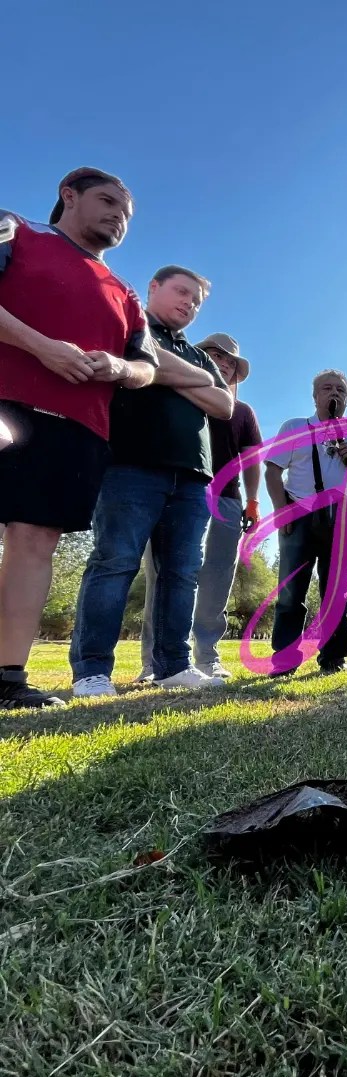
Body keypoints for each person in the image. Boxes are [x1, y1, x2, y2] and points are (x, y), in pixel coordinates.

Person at [0, 168, 158, 709]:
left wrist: (118, 366)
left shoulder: (127, 293)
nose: (119, 215)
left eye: (127, 212)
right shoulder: (14, 230)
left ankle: (7, 677)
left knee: (33, 540)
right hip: (6, 400)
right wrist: (42, 346)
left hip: (78, 428)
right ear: (69, 195)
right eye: (108, 201)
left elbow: (147, 368)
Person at [70, 266, 233, 697]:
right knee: (115, 562)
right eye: (182, 292)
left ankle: (173, 666)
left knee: (182, 573)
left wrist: (167, 372)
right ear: (154, 287)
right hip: (130, 466)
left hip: (194, 477)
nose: (189, 303)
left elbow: (224, 405)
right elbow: (144, 366)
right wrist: (177, 374)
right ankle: (92, 670)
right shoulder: (128, 327)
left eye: (196, 301)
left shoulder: (199, 355)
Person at [137, 333, 262, 680]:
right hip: (175, 492)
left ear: (235, 372)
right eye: (213, 354)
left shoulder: (242, 412)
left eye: (228, 360)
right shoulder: (175, 395)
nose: (221, 362)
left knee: (217, 577)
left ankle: (207, 655)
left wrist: (252, 501)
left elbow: (252, 460)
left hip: (226, 499)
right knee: (163, 575)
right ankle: (152, 661)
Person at [266, 369, 347, 676]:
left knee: (337, 592)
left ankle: (334, 657)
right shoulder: (295, 427)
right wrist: (281, 509)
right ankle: (284, 660)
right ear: (315, 396)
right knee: (291, 591)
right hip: (299, 514)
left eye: (340, 390)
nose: (333, 394)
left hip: (342, 518)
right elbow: (273, 471)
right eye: (326, 388)